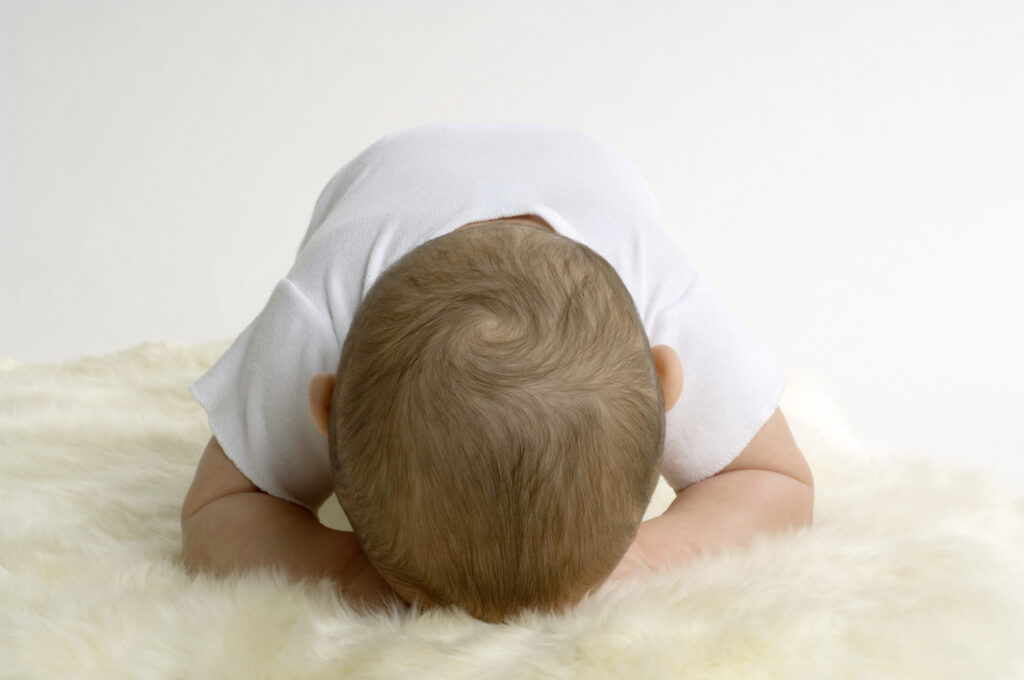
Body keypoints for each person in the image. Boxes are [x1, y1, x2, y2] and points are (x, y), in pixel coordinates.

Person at [179, 122, 814, 624]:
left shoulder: (664, 303)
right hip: (384, 181)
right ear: (326, 405)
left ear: (664, 383)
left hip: (592, 172)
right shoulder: (315, 323)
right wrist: (347, 570)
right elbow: (217, 508)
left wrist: (646, 557)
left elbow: (775, 478)